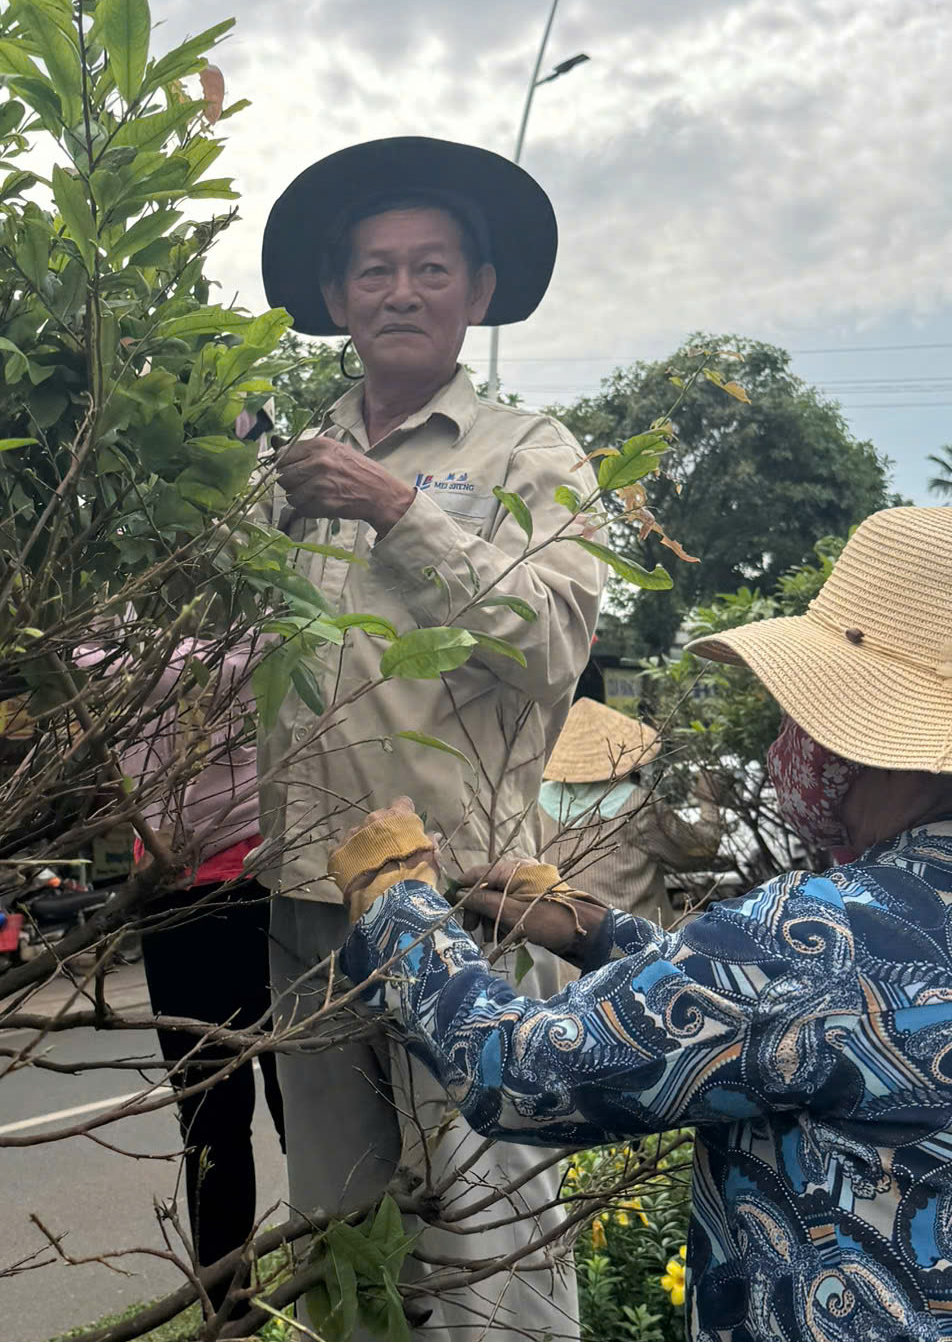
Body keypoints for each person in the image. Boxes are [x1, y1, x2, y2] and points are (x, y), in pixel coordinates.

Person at [329, 506, 952, 1341]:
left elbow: (515, 1071)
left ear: (873, 737)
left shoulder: (830, 934)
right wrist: (597, 934)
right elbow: (818, 1024)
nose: (788, 740)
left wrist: (394, 895)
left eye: (803, 712)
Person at [255, 137, 607, 1338]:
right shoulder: (283, 467)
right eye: (373, 270)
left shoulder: (529, 454)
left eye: (431, 268)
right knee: (336, 1235)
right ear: (338, 297)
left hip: (470, 904)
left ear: (482, 292)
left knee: (484, 1238)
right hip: (310, 906)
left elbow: (551, 643)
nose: (400, 291)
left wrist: (399, 509)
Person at [77, 632, 287, 1314]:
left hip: (271, 883)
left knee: (303, 1100)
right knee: (208, 1116)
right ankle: (228, 1304)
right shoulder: (111, 625)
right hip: (174, 895)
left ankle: (336, 1274)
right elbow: (90, 669)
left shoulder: (268, 594)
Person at [538, 697, 727, 925]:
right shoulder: (637, 804)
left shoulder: (539, 800)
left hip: (568, 939)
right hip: (635, 942)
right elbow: (697, 851)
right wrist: (709, 803)